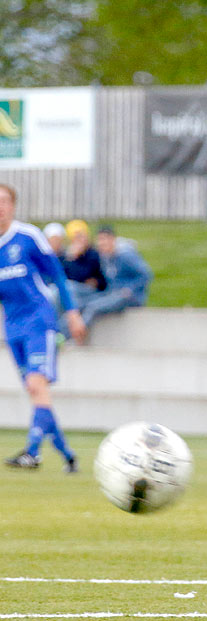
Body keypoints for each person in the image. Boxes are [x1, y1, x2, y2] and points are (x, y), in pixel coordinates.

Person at [0, 184, 87, 471]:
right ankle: (68, 455)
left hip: (39, 321)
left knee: (37, 385)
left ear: (13, 206)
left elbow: (57, 275)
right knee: (37, 392)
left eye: (4, 201)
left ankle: (33, 452)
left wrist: (72, 313)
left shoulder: (27, 237)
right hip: (12, 328)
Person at [78, 224, 152, 330]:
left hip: (129, 297)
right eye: (99, 240)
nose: (101, 243)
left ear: (112, 239)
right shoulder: (105, 257)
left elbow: (146, 274)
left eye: (104, 239)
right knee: (81, 304)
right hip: (112, 293)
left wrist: (130, 289)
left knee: (93, 307)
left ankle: (76, 333)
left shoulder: (126, 255)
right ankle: (59, 333)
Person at [62, 219, 107, 309]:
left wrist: (73, 260)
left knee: (68, 288)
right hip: (77, 290)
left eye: (82, 237)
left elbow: (82, 275)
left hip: (94, 292)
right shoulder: (66, 256)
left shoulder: (93, 254)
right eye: (76, 238)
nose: (80, 240)